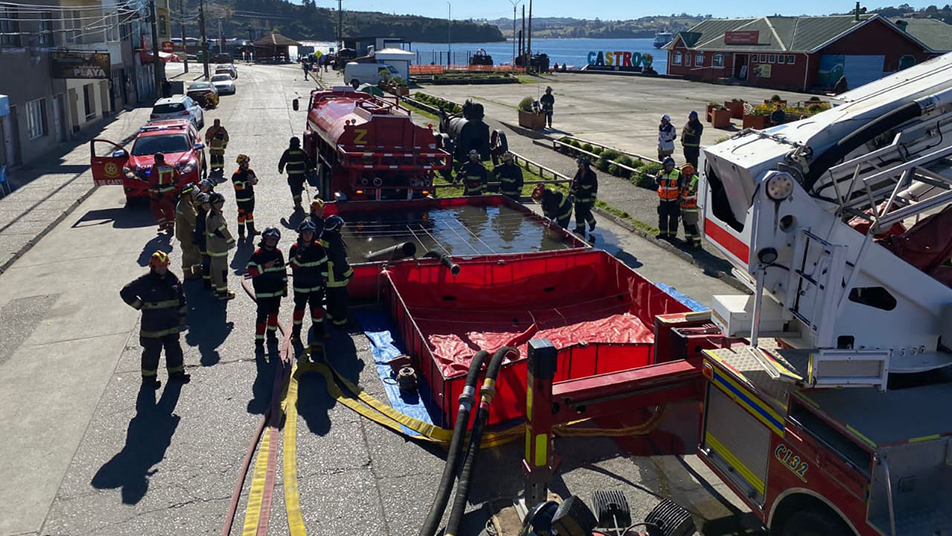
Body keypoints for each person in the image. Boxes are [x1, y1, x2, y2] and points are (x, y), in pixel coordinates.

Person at [120, 251, 190, 388]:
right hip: (152, 326)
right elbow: (125, 292)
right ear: (152, 266)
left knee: (174, 350)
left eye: (164, 266)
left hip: (171, 323)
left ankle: (176, 374)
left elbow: (181, 298)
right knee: (151, 354)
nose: (162, 269)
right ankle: (149, 380)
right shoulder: (145, 281)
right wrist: (139, 305)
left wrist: (182, 316)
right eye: (159, 266)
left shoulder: (172, 279)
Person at [288, 219, 329, 343]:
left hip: (316, 285)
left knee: (317, 310)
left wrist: (324, 281)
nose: (307, 235)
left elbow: (324, 265)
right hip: (301, 286)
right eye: (305, 232)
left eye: (310, 232)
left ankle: (319, 332)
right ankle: (296, 334)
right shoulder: (295, 248)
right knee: (299, 310)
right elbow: (293, 265)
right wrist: (299, 255)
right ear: (300, 233)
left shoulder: (318, 247)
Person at [247, 227, 287, 347]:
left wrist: (285, 286)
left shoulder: (278, 253)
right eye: (269, 239)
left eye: (274, 240)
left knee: (274, 314)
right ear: (264, 239)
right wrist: (265, 266)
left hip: (277, 292)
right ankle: (259, 341)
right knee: (262, 316)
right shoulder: (258, 254)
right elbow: (251, 271)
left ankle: (271, 335)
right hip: (263, 292)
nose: (271, 241)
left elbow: (282, 271)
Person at [321, 215, 353, 328]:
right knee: (340, 301)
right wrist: (349, 273)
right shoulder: (335, 242)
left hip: (326, 277)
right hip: (336, 277)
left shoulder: (323, 237)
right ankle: (340, 323)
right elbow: (340, 262)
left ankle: (330, 316)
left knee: (330, 298)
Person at [205, 192, 236, 300]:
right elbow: (222, 231)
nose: (220, 205)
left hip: (213, 248)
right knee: (221, 271)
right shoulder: (215, 217)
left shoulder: (213, 213)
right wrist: (230, 241)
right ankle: (222, 293)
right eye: (218, 203)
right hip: (219, 248)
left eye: (221, 202)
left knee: (214, 269)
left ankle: (216, 289)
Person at [174, 182, 202, 280]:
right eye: (192, 194)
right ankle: (187, 273)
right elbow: (193, 220)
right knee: (188, 254)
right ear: (187, 195)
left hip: (189, 234)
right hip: (186, 235)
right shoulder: (184, 206)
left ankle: (197, 269)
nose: (194, 195)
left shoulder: (187, 203)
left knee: (195, 252)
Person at [278, 137, 312, 212]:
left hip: (292, 174)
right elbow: (307, 160)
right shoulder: (301, 151)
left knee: (294, 188)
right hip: (300, 174)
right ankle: (298, 201)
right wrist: (310, 170)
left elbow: (282, 160)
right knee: (299, 187)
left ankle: (297, 203)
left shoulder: (287, 152)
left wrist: (280, 169)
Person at [232, 154, 259, 240]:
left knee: (250, 214)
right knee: (242, 216)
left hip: (250, 197)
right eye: (245, 163)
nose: (247, 164)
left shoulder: (250, 171)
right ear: (241, 164)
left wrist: (254, 181)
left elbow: (255, 179)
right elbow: (237, 186)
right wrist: (248, 183)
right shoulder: (236, 174)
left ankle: (251, 230)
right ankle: (241, 233)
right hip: (241, 199)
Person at [148, 153, 177, 232]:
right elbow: (177, 177)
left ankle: (163, 224)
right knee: (169, 208)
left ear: (156, 159)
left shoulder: (155, 168)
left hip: (159, 191)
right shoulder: (171, 166)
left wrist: (152, 192)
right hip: (170, 190)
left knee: (155, 206)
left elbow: (152, 181)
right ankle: (171, 225)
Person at [570, 157, 598, 237]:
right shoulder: (579, 172)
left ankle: (592, 223)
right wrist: (571, 192)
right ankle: (580, 228)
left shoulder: (592, 175)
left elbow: (594, 188)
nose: (579, 166)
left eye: (580, 165)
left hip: (587, 198)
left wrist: (592, 199)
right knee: (578, 213)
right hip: (578, 197)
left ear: (585, 165)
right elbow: (574, 182)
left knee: (585, 212)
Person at [656, 157, 682, 240]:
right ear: (664, 166)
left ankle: (672, 236)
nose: (670, 167)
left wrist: (679, 199)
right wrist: (660, 175)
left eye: (671, 165)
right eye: (668, 166)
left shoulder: (677, 173)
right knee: (662, 217)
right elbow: (656, 181)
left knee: (673, 219)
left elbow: (682, 187)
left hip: (674, 201)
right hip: (663, 201)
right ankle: (663, 234)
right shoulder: (660, 173)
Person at [193, 192, 213, 291]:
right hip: (205, 245)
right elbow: (199, 233)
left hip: (212, 244)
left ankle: (212, 282)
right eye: (204, 204)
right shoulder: (200, 217)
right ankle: (207, 284)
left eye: (208, 203)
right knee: (206, 265)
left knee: (212, 264)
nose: (207, 206)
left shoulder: (211, 214)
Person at [679, 164, 701, 248]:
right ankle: (689, 239)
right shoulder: (685, 180)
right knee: (685, 224)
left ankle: (697, 242)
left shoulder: (696, 181)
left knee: (692, 225)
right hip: (684, 207)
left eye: (684, 173)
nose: (682, 175)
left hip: (691, 207)